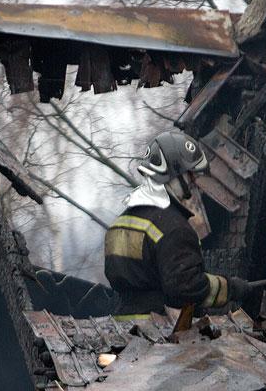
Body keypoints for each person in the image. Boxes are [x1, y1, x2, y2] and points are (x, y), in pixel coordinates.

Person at [104, 131, 253, 320]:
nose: (193, 181)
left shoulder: (120, 223)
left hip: (121, 327)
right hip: (160, 334)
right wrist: (230, 288)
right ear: (173, 174)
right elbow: (187, 288)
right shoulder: (174, 228)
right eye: (189, 174)